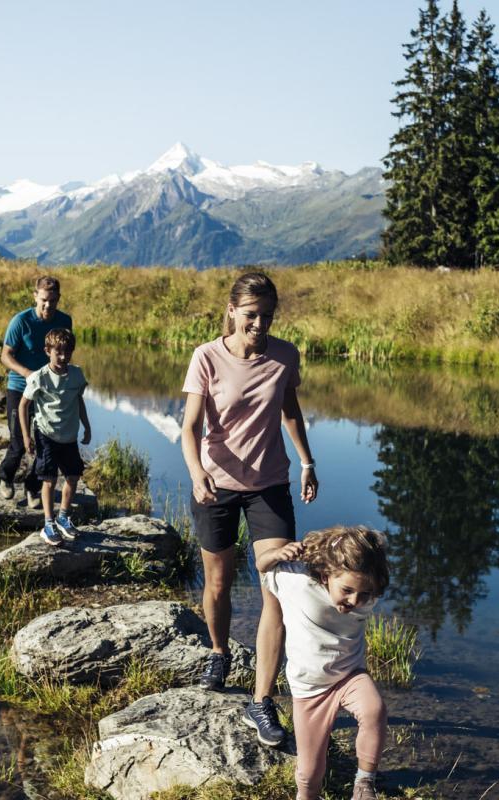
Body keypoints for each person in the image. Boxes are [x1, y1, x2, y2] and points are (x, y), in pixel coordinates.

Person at [180, 271, 318, 747]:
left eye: (268, 316)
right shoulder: (206, 357)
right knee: (218, 582)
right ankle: (219, 652)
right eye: (252, 314)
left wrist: (306, 461)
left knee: (276, 588)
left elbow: (290, 410)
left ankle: (260, 701)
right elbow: (190, 427)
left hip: (269, 485)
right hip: (216, 485)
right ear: (233, 311)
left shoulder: (285, 355)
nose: (259, 324)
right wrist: (198, 474)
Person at [256, 526, 390, 800]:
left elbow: (367, 563)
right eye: (347, 590)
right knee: (309, 774)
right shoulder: (296, 582)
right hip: (309, 690)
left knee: (374, 709)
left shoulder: (369, 592)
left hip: (349, 675)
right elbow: (261, 566)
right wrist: (276, 554)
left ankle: (364, 784)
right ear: (326, 575)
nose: (354, 601)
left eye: (364, 594)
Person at [0, 275, 72, 505]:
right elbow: (5, 355)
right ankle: (6, 477)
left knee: (45, 442)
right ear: (35, 296)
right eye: (43, 300)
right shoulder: (20, 321)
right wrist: (27, 373)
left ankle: (32, 488)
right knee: (19, 442)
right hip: (19, 388)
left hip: (48, 392)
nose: (47, 305)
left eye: (52, 300)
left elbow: (64, 354)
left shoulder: (64, 321)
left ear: (58, 299)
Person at [18, 327, 91, 546]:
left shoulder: (77, 374)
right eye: (58, 352)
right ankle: (48, 523)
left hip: (68, 436)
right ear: (47, 351)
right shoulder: (39, 377)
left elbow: (79, 401)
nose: (63, 357)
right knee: (49, 479)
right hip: (46, 434)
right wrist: (26, 436)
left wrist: (86, 426)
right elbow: (23, 405)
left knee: (73, 476)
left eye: (67, 352)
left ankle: (63, 517)